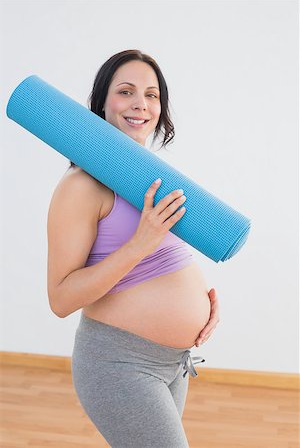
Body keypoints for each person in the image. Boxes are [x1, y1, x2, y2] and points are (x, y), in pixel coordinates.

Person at [47, 49, 220, 448]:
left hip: (174, 363)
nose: (141, 104)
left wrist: (206, 301)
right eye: (125, 91)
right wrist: (139, 245)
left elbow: (169, 257)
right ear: (102, 103)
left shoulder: (151, 175)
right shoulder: (81, 186)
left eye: (152, 94)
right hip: (119, 363)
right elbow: (60, 298)